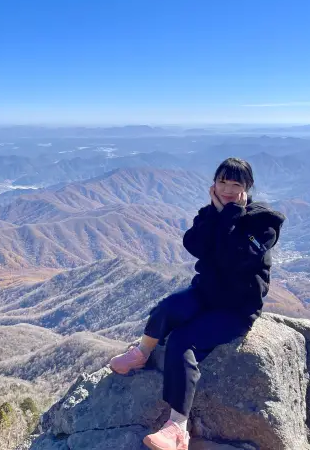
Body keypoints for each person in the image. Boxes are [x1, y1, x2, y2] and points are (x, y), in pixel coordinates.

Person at [109, 157, 285, 450]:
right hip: (206, 293)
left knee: (182, 340)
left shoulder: (262, 222)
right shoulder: (210, 214)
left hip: (236, 309)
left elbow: (235, 258)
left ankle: (177, 427)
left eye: (235, 184)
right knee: (168, 307)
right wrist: (219, 216)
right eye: (222, 182)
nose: (227, 189)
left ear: (247, 188)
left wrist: (230, 215)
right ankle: (142, 352)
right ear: (213, 184)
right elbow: (194, 245)